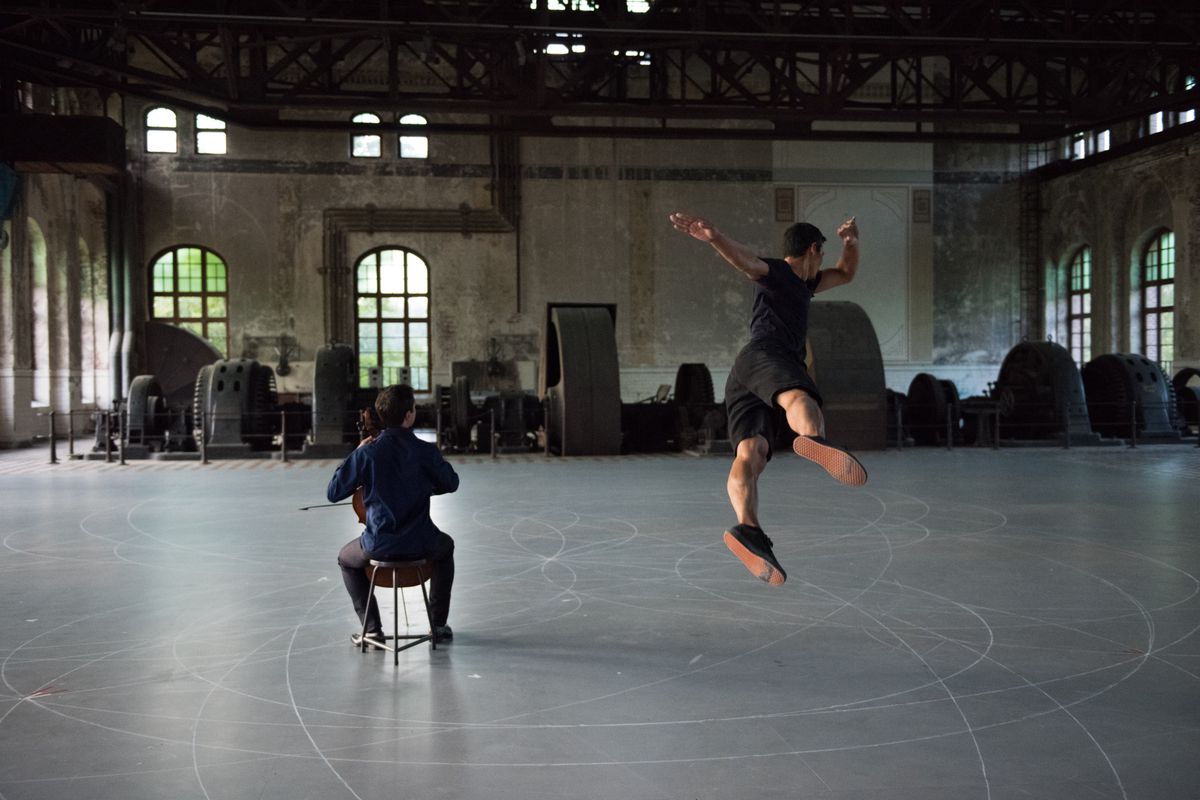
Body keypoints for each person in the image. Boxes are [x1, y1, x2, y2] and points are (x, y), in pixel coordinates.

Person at [669, 212, 868, 586]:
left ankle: (749, 529)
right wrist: (715, 237)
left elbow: (846, 272)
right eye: (823, 254)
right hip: (769, 356)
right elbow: (746, 260)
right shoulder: (778, 272)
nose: (825, 263)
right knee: (800, 395)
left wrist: (851, 244)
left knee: (752, 451)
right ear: (813, 249)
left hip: (743, 372)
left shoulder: (807, 285)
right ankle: (812, 438)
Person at [328, 383, 459, 648]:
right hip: (422, 542)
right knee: (446, 548)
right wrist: (423, 486)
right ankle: (438, 626)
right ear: (410, 415)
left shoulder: (368, 453)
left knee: (345, 559)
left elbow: (333, 492)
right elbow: (451, 483)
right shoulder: (425, 451)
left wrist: (357, 452)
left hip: (379, 545)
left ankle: (373, 630)